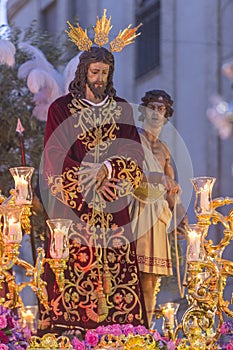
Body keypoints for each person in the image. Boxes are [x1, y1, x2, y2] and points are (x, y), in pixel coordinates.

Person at [37, 46, 148, 335]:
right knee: (72, 270)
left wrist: (110, 171)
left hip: (113, 207)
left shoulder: (122, 109)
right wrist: (91, 177)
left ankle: (122, 335)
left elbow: (134, 155)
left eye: (105, 73)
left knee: (117, 281)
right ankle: (71, 333)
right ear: (83, 71)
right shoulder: (61, 109)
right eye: (95, 72)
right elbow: (54, 156)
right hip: (74, 209)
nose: (99, 78)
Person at [128, 89, 187, 326]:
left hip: (159, 216)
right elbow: (129, 176)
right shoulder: (133, 141)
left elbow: (171, 186)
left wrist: (180, 217)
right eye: (151, 108)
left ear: (166, 115)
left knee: (152, 277)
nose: (156, 113)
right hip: (139, 210)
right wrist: (157, 179)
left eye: (161, 109)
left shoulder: (164, 149)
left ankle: (146, 328)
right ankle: (129, 326)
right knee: (136, 273)